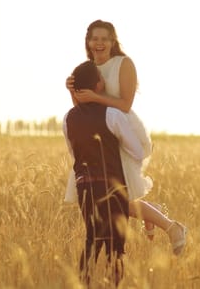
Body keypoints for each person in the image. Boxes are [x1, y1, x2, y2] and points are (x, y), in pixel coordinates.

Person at [64, 19, 186, 255]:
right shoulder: (87, 68)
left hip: (122, 132)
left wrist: (96, 97)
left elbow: (126, 104)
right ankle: (158, 216)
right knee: (112, 197)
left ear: (112, 41)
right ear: (88, 42)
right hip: (98, 138)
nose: (99, 43)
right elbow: (83, 109)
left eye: (104, 39)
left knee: (118, 197)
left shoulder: (124, 63)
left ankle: (171, 226)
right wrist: (73, 91)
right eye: (94, 39)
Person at [62, 60, 139, 286]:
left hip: (84, 185)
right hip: (113, 187)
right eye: (101, 77)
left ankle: (83, 284)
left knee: (92, 239)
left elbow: (73, 152)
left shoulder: (68, 118)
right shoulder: (112, 115)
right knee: (116, 246)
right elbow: (136, 150)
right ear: (97, 86)